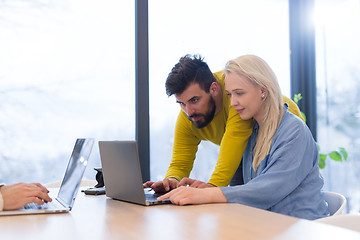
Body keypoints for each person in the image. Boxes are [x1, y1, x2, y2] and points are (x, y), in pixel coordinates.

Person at [158, 54, 329, 220]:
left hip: (302, 229)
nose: (232, 103)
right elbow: (238, 188)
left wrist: (209, 193)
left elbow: (268, 190)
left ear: (263, 91)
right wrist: (198, 190)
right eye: (230, 95)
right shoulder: (253, 133)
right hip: (266, 227)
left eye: (239, 93)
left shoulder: (294, 131)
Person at [144, 54, 303, 192]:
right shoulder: (187, 115)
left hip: (277, 129)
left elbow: (236, 137)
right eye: (182, 103)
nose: (189, 111)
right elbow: (179, 162)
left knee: (268, 195)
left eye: (194, 100)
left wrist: (211, 188)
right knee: (238, 204)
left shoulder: (232, 95)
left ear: (214, 89)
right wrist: (171, 181)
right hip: (245, 150)